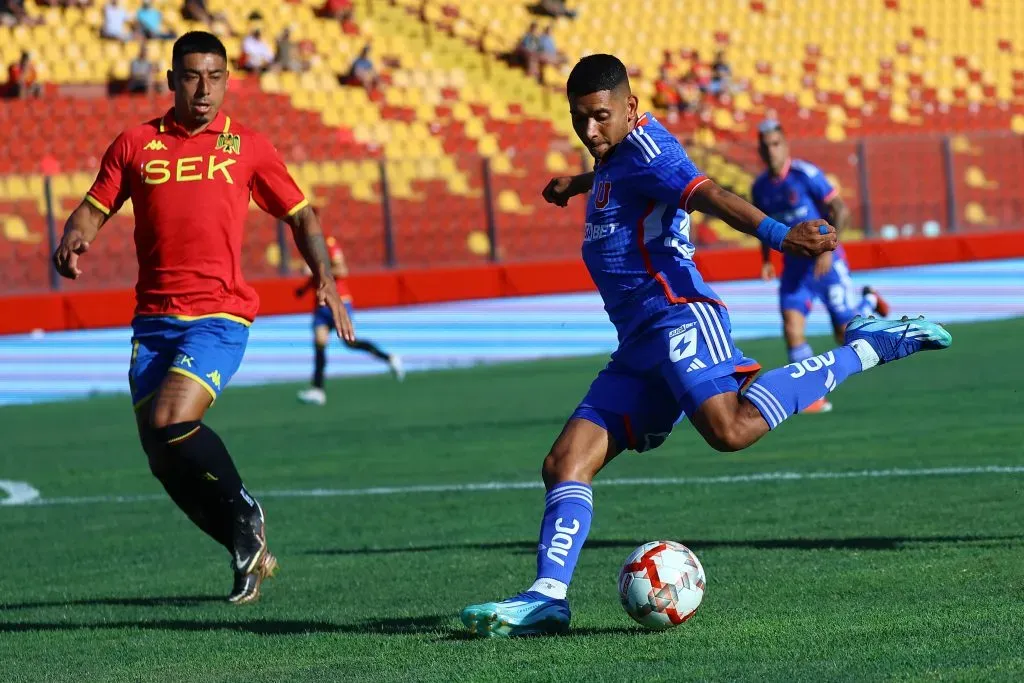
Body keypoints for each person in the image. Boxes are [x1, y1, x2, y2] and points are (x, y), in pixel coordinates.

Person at [459, 54, 951, 638]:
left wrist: (778, 234)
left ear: (631, 108)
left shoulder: (650, 149)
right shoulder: (617, 158)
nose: (590, 132)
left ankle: (870, 345)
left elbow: (705, 193)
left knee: (731, 429)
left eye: (600, 117)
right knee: (564, 463)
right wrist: (580, 181)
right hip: (638, 342)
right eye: (579, 120)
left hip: (679, 317)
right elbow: (623, 175)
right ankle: (548, 598)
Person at [51, 31, 353, 605]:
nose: (204, 89)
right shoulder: (135, 144)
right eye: (192, 77)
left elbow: (302, 213)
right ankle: (245, 549)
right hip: (154, 321)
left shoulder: (248, 147)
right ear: (171, 81)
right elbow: (94, 207)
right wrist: (72, 239)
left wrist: (327, 281)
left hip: (219, 315)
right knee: (162, 457)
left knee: (172, 417)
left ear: (227, 81)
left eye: (214, 77)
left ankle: (244, 508)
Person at [752, 119, 890, 413]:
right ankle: (811, 396)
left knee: (846, 336)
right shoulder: (760, 188)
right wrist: (766, 260)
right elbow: (762, 226)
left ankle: (868, 301)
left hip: (828, 265)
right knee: (792, 330)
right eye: (765, 147)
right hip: (794, 270)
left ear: (785, 145)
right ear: (760, 152)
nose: (771, 151)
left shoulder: (806, 175)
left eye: (776, 144)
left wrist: (828, 249)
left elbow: (840, 209)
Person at [295, 231, 404, 405]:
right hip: (321, 304)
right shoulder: (308, 248)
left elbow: (341, 270)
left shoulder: (328, 244)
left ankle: (389, 358)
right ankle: (318, 389)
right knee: (319, 343)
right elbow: (318, 276)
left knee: (350, 343)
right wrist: (305, 287)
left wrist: (315, 270)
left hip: (339, 302)